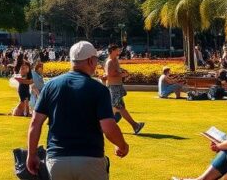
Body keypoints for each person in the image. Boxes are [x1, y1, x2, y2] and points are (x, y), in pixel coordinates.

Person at [26, 41, 128, 180]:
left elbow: (35, 123)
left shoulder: (50, 86)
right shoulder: (99, 90)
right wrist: (122, 145)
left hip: (57, 159)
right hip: (90, 158)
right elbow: (108, 127)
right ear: (90, 61)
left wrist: (31, 154)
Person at [104, 44, 145, 134]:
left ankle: (103, 127)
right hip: (113, 86)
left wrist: (123, 72)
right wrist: (122, 75)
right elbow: (110, 74)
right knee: (119, 108)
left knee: (117, 110)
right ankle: (135, 125)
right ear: (112, 51)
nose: (119, 51)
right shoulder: (110, 61)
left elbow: (116, 71)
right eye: (117, 50)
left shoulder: (115, 60)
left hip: (117, 86)